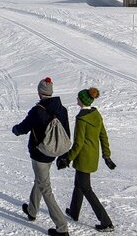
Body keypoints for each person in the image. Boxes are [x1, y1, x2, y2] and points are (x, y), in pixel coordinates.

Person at [13, 77, 71, 236]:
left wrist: (15, 130)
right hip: (53, 153)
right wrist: (64, 154)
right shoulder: (62, 109)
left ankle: (62, 227)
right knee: (40, 180)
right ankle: (32, 210)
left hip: (39, 154)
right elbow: (66, 133)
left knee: (45, 188)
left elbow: (23, 128)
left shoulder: (37, 111)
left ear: (40, 92)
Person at [55, 87, 116, 232]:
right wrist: (106, 155)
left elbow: (79, 143)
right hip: (92, 157)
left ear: (82, 101)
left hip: (83, 159)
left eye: (78, 98)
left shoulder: (81, 118)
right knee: (79, 184)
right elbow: (103, 135)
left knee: (86, 189)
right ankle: (74, 212)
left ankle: (106, 222)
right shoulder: (96, 114)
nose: (76, 100)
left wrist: (67, 158)